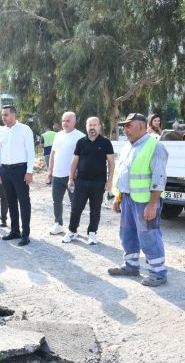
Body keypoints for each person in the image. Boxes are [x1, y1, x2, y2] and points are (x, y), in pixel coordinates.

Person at [109, 113, 169, 287]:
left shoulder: (155, 146)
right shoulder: (129, 146)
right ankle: (131, 266)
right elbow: (124, 174)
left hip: (145, 201)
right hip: (128, 198)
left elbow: (159, 178)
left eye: (129, 125)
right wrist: (118, 196)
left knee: (149, 236)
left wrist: (152, 205)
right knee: (127, 234)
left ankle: (158, 273)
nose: (125, 129)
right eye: (124, 126)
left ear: (141, 126)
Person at [62, 117, 115, 245]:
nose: (92, 127)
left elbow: (111, 163)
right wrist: (70, 178)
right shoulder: (81, 142)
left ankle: (92, 233)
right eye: (89, 125)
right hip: (81, 182)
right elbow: (74, 161)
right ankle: (72, 231)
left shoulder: (106, 142)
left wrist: (109, 181)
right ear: (86, 127)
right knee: (76, 208)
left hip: (99, 183)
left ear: (99, 126)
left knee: (95, 210)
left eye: (94, 125)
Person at [0, 105, 36, 246]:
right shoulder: (1, 132)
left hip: (20, 170)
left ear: (14, 115)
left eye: (6, 115)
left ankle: (25, 234)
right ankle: (15, 231)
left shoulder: (25, 129)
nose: (3, 117)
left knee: (24, 202)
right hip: (5, 171)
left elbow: (30, 151)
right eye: (2, 115)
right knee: (11, 201)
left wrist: (29, 171)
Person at [47, 112, 85, 235]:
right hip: (57, 175)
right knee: (56, 201)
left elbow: (83, 157)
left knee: (75, 202)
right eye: (63, 120)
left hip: (72, 177)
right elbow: (53, 153)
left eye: (68, 121)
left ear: (74, 122)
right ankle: (58, 224)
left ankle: (74, 228)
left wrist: (77, 172)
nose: (65, 123)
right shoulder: (58, 135)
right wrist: (50, 171)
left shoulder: (80, 136)